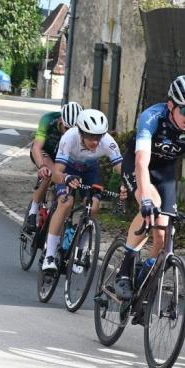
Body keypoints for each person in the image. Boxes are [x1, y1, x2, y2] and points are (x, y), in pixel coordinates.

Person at [114, 75, 185, 300]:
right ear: (171, 105)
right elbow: (141, 162)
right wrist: (144, 199)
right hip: (138, 166)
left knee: (164, 235)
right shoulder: (151, 117)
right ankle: (124, 273)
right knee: (152, 208)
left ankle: (146, 275)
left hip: (164, 172)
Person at [41, 109, 126, 272]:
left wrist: (126, 183)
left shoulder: (107, 141)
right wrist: (66, 179)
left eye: (98, 137)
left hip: (90, 170)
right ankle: (50, 255)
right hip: (68, 169)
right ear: (80, 133)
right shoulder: (69, 138)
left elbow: (120, 167)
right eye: (90, 137)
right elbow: (57, 173)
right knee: (66, 203)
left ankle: (80, 250)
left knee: (94, 207)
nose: (95, 142)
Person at [25, 101, 83, 232]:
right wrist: (41, 166)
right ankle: (33, 211)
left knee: (65, 183)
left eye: (74, 130)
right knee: (49, 174)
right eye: (67, 129)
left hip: (62, 156)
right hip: (44, 152)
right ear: (61, 121)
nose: (69, 133)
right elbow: (37, 147)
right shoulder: (48, 119)